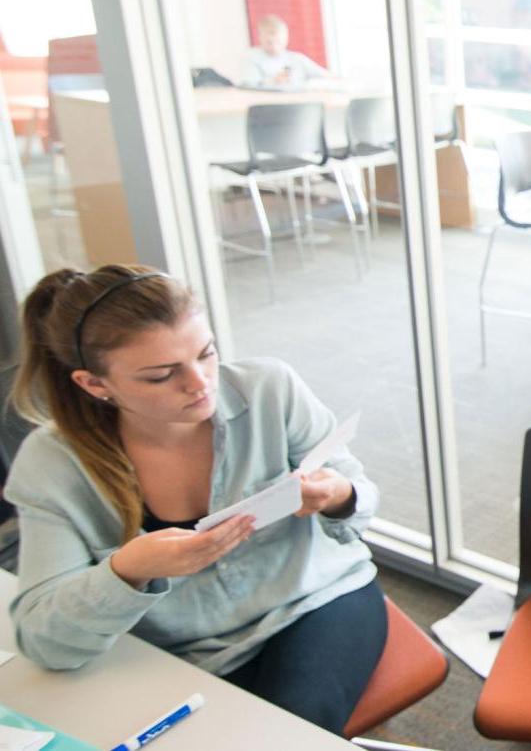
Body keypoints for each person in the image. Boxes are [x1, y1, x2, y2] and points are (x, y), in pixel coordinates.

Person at [5, 265, 387, 734]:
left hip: (315, 601)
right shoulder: (52, 466)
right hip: (181, 648)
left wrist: (338, 495)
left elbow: (356, 492)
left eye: (206, 354)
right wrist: (128, 570)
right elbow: (44, 641)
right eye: (162, 376)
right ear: (94, 384)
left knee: (286, 731)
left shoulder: (269, 388)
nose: (200, 383)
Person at [242, 14, 330, 88]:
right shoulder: (251, 58)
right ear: (260, 37)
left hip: (299, 103)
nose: (274, 45)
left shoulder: (297, 58)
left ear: (286, 38)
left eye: (278, 41)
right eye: (269, 42)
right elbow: (248, 86)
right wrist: (273, 81)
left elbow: (326, 76)